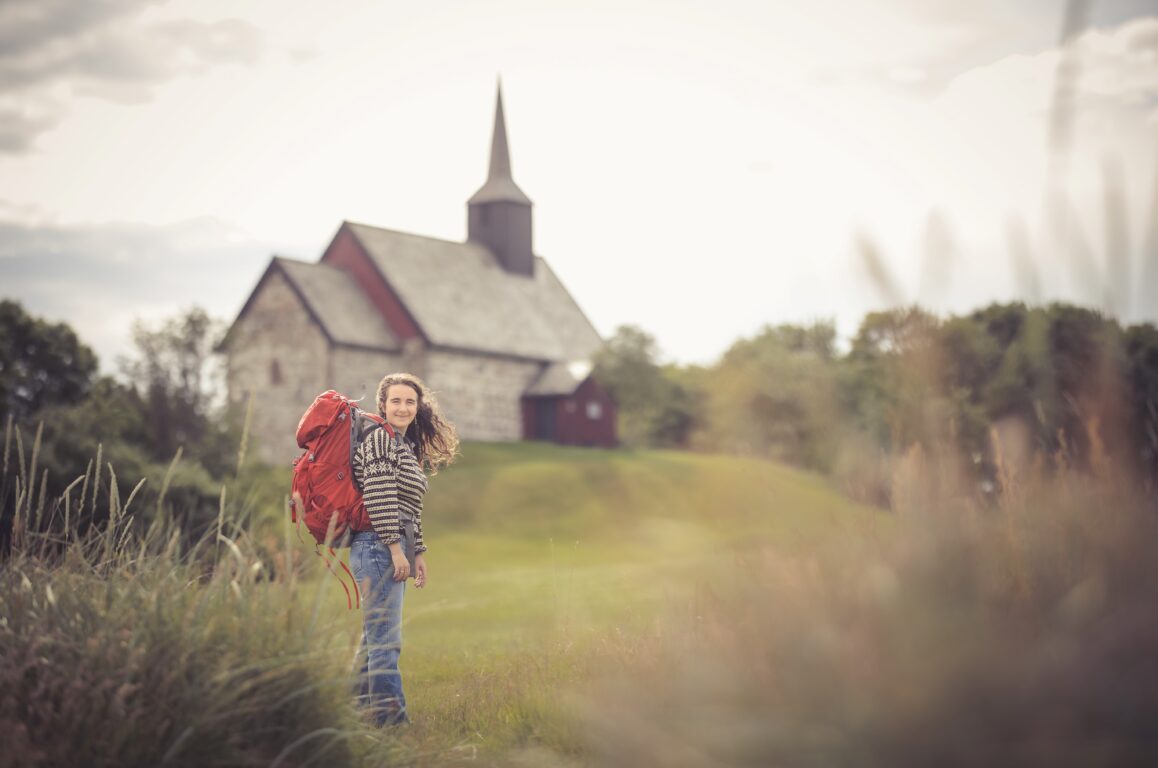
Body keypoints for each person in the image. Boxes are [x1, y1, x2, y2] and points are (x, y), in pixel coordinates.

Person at [350, 372, 458, 726]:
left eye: (410, 401)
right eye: (395, 400)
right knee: (386, 644)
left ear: (417, 406)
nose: (403, 407)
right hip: (377, 548)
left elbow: (408, 506)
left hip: (386, 546)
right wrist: (397, 551)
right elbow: (380, 499)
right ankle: (391, 726)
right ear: (383, 404)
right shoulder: (380, 440)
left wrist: (419, 553)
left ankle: (350, 717)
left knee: (373, 641)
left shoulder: (404, 445)